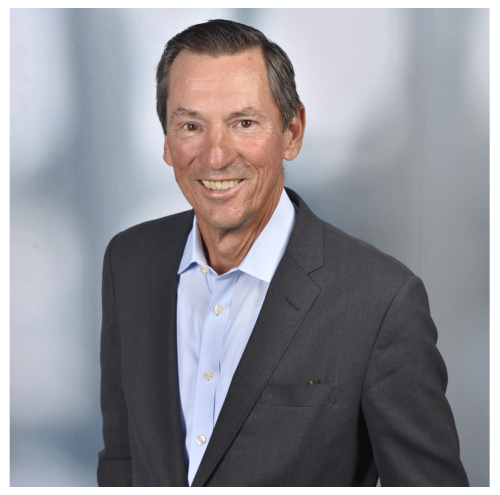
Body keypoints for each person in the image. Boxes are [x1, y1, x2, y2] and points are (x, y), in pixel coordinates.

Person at [97, 19, 469, 487]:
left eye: (244, 123)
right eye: (191, 125)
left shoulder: (380, 302)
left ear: (292, 133)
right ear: (168, 142)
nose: (215, 156)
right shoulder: (128, 262)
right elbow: (122, 459)